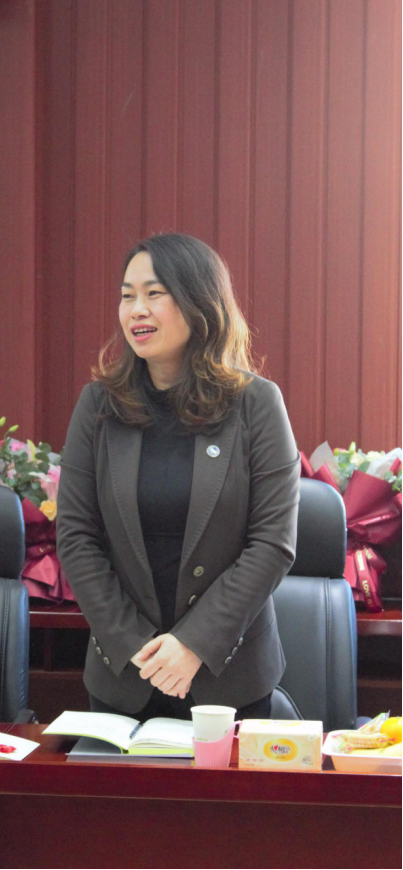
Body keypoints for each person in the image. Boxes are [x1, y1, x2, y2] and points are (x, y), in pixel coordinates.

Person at [57, 233, 300, 721]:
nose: (136, 310)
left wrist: (193, 644)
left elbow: (272, 543)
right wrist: (136, 646)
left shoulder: (256, 404)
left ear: (198, 301)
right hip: (124, 675)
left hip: (228, 677)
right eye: (127, 296)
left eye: (154, 293)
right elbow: (77, 536)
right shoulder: (98, 405)